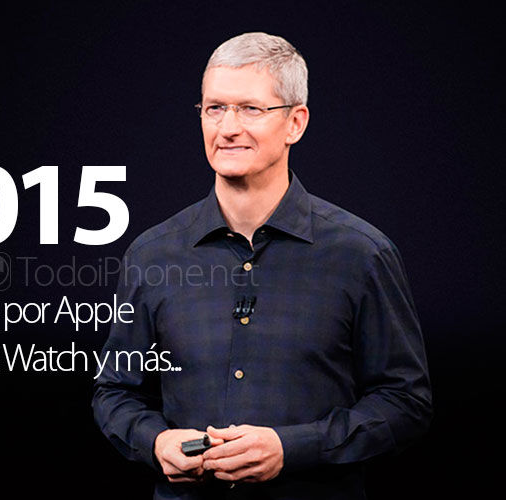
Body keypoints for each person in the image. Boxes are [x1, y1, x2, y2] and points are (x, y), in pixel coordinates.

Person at [91, 32, 432, 499]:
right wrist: (156, 442)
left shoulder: (362, 254)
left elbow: (406, 402)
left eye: (251, 109)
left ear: (295, 123)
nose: (228, 127)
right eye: (215, 108)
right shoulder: (151, 254)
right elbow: (115, 391)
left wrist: (292, 449)